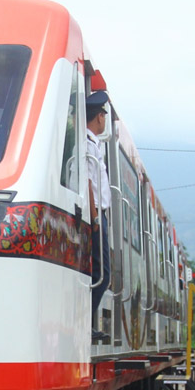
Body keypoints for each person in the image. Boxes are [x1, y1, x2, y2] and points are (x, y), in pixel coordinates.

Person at [85, 91, 112, 342]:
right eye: (103, 114)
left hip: (99, 214)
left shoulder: (93, 143)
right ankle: (84, 324)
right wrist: (94, 217)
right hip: (95, 216)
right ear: (99, 116)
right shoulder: (86, 143)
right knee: (102, 274)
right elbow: (89, 182)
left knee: (100, 273)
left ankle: (87, 323)